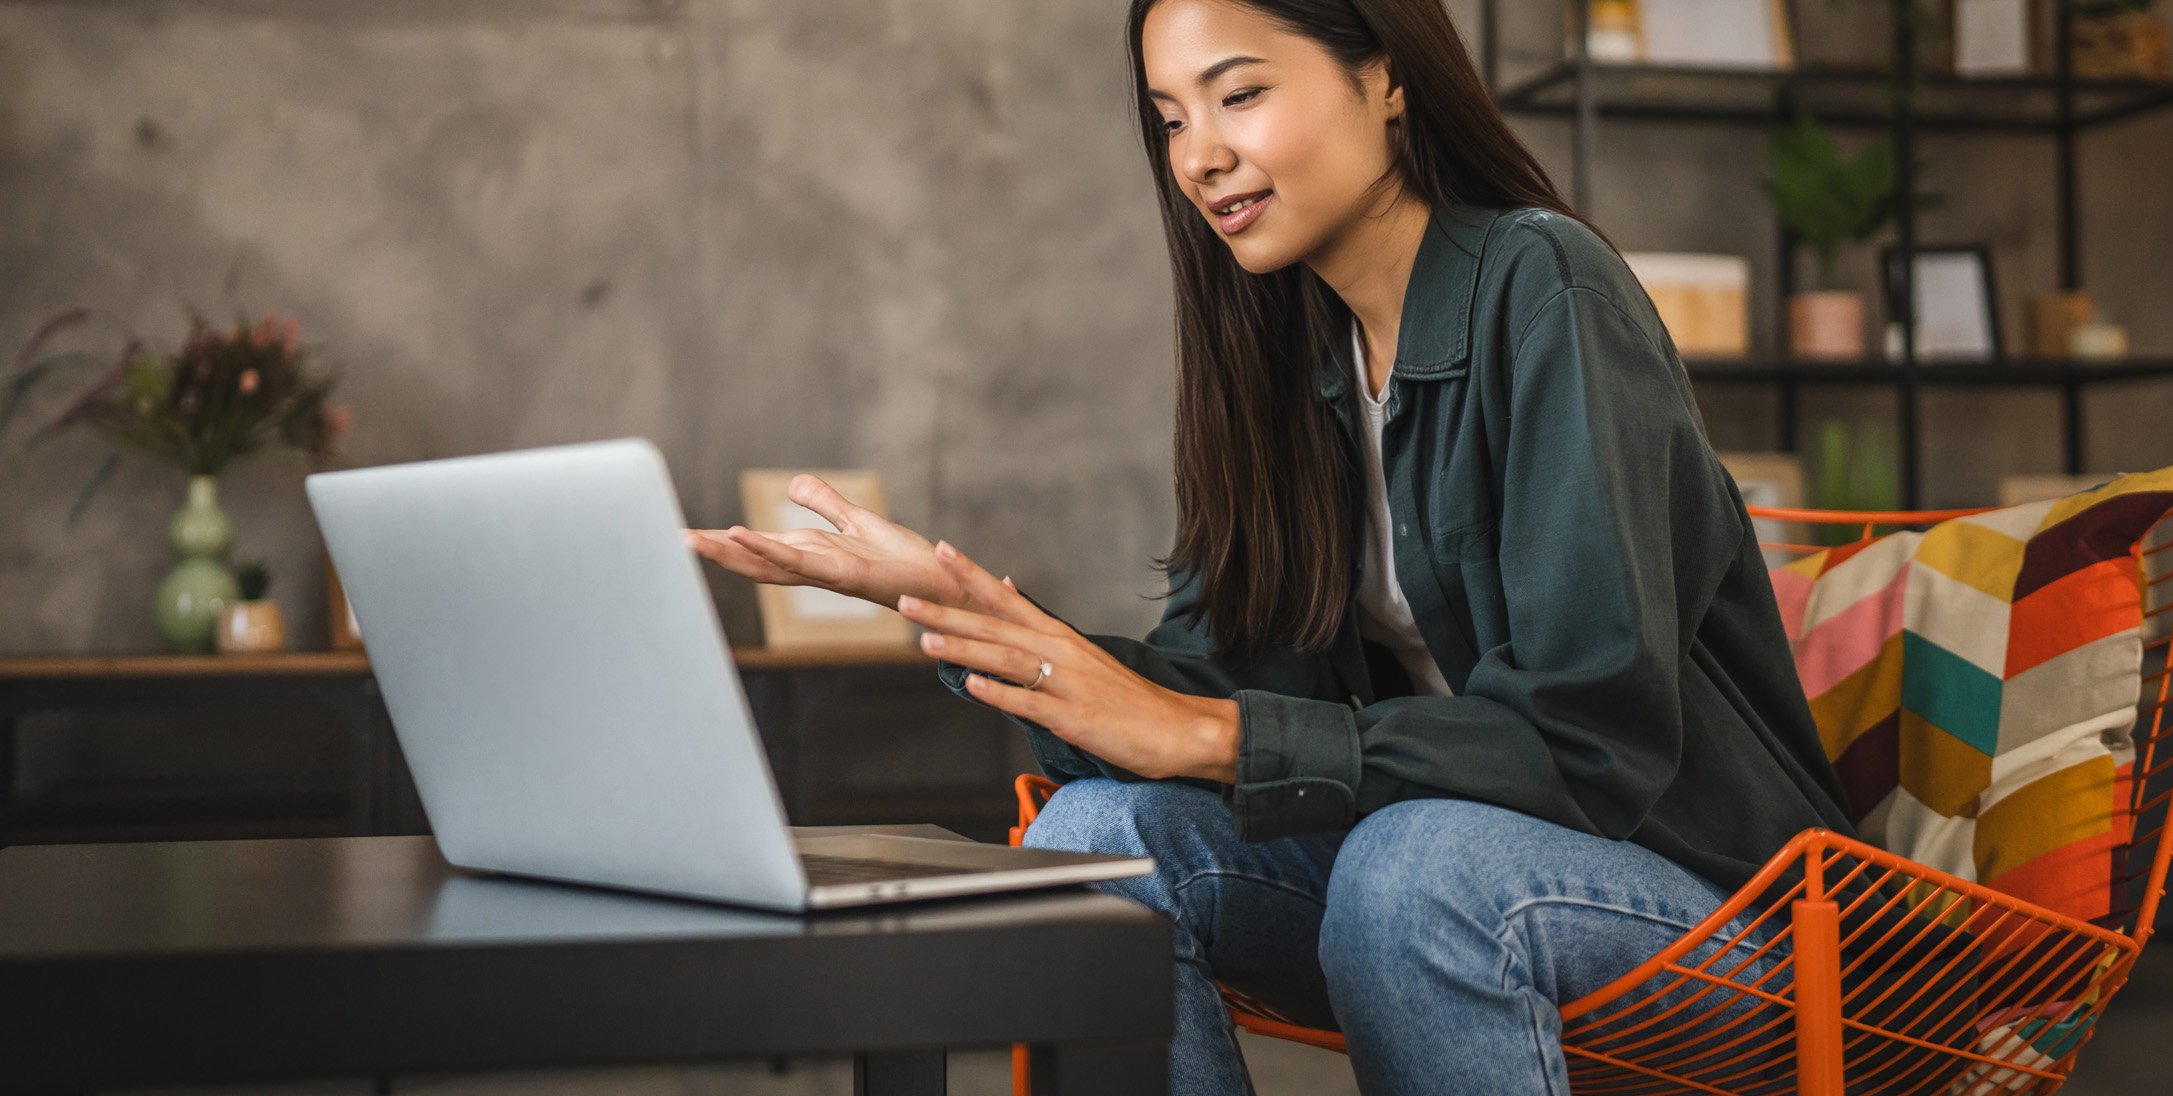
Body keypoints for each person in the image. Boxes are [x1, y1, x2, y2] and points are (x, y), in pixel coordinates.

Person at [690, 0, 1857, 1091]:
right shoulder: (1285, 361)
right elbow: (1208, 680)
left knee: (1415, 864)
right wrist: (963, 609)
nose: (1197, 155)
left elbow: (1593, 740)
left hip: (1728, 922)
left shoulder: (1543, 286)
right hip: (1423, 873)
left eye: (1238, 94)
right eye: (1169, 119)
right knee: (1093, 842)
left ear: (1384, 78)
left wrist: (1214, 735)